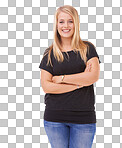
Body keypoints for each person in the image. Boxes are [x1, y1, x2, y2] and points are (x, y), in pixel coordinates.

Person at [39, 5, 101, 148]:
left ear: (76, 23)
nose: (65, 26)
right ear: (56, 24)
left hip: (83, 118)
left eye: (70, 21)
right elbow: (47, 86)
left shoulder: (87, 48)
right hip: (55, 117)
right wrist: (80, 82)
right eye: (61, 21)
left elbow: (93, 77)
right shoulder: (50, 53)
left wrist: (61, 78)